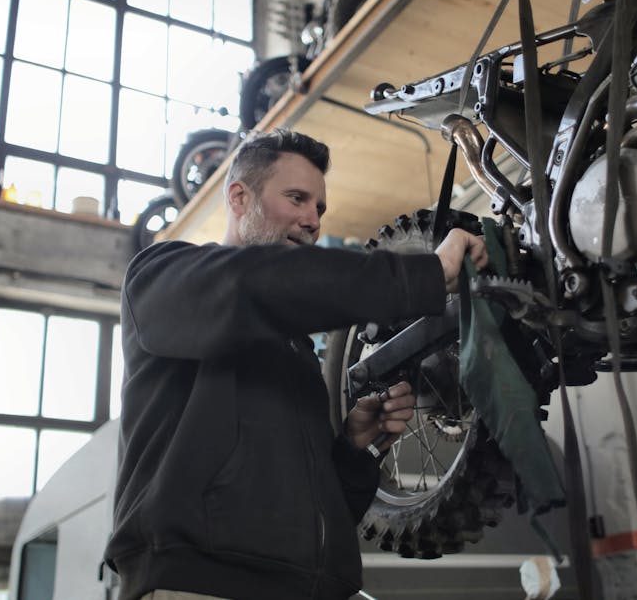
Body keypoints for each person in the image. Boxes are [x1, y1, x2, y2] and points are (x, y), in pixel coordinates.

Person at [103, 129, 487, 600]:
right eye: (297, 198)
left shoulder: (297, 353)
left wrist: (352, 449)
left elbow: (321, 519)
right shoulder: (163, 278)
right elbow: (260, 284)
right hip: (199, 583)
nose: (312, 221)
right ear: (240, 198)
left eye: (319, 208)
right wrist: (427, 274)